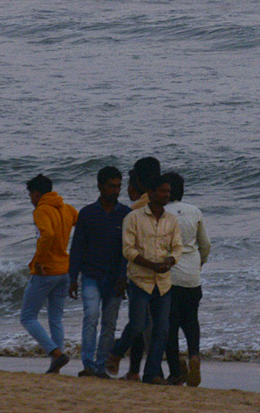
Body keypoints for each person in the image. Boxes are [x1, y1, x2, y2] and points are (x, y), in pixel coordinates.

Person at [106, 172, 182, 385]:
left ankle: (152, 375)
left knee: (162, 330)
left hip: (164, 282)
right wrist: (152, 265)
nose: (166, 195)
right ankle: (116, 352)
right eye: (162, 191)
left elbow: (178, 248)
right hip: (140, 280)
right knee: (138, 325)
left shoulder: (171, 220)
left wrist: (169, 261)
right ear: (151, 193)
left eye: (168, 191)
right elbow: (128, 250)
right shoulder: (134, 218)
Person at [68, 165, 131, 377]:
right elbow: (77, 247)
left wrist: (124, 277)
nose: (115, 191)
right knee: (91, 316)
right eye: (111, 186)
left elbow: (128, 250)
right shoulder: (87, 214)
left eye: (118, 186)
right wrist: (72, 278)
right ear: (100, 186)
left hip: (115, 278)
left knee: (109, 324)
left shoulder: (126, 215)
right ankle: (88, 364)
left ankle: (102, 365)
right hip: (91, 275)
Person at [107, 157, 160, 381]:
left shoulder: (134, 211)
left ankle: (129, 363)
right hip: (163, 273)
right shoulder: (164, 203)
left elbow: (125, 251)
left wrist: (121, 277)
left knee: (141, 324)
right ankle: (146, 370)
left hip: (139, 276)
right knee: (156, 324)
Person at [20, 174, 78, 374]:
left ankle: (55, 353)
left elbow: (48, 235)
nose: (30, 199)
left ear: (36, 193)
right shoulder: (67, 208)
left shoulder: (41, 211)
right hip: (65, 270)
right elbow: (82, 225)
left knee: (27, 317)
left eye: (30, 195)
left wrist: (39, 261)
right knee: (55, 318)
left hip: (47, 270)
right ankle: (56, 364)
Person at [163, 171, 211, 386]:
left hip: (170, 277)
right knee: (191, 319)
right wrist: (200, 262)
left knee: (170, 325)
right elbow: (205, 244)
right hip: (192, 276)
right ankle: (194, 356)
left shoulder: (160, 212)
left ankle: (176, 367)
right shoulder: (194, 211)